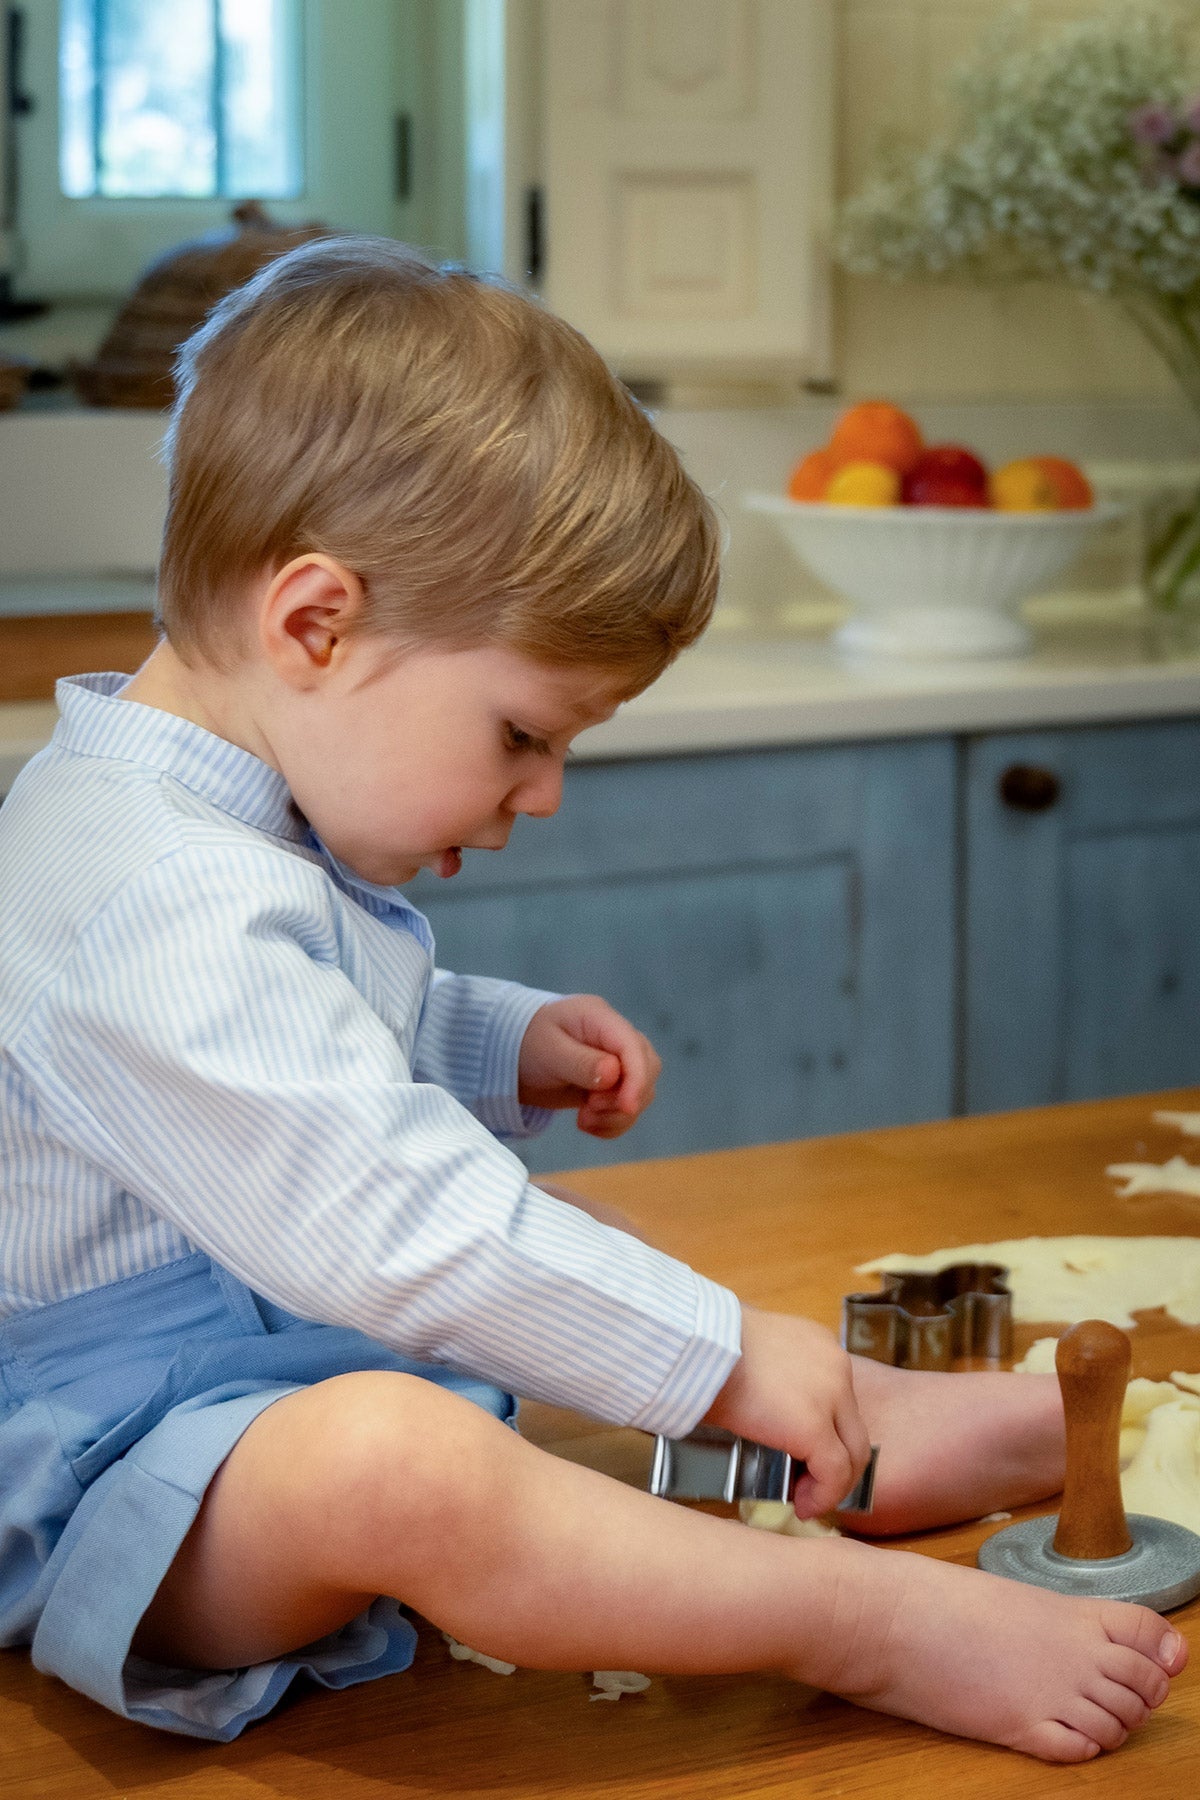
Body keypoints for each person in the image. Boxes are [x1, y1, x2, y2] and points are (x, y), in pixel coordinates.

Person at [0, 238, 1185, 1759]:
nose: (541, 793)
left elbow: (293, 1057)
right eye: (520, 732)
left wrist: (491, 1039)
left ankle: (840, 1440)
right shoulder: (142, 892)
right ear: (316, 622)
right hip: (106, 1472)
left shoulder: (222, 828)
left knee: (580, 1264)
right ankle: (854, 1619)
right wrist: (727, 1349)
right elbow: (370, 1206)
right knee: (400, 1465)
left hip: (245, 1345)